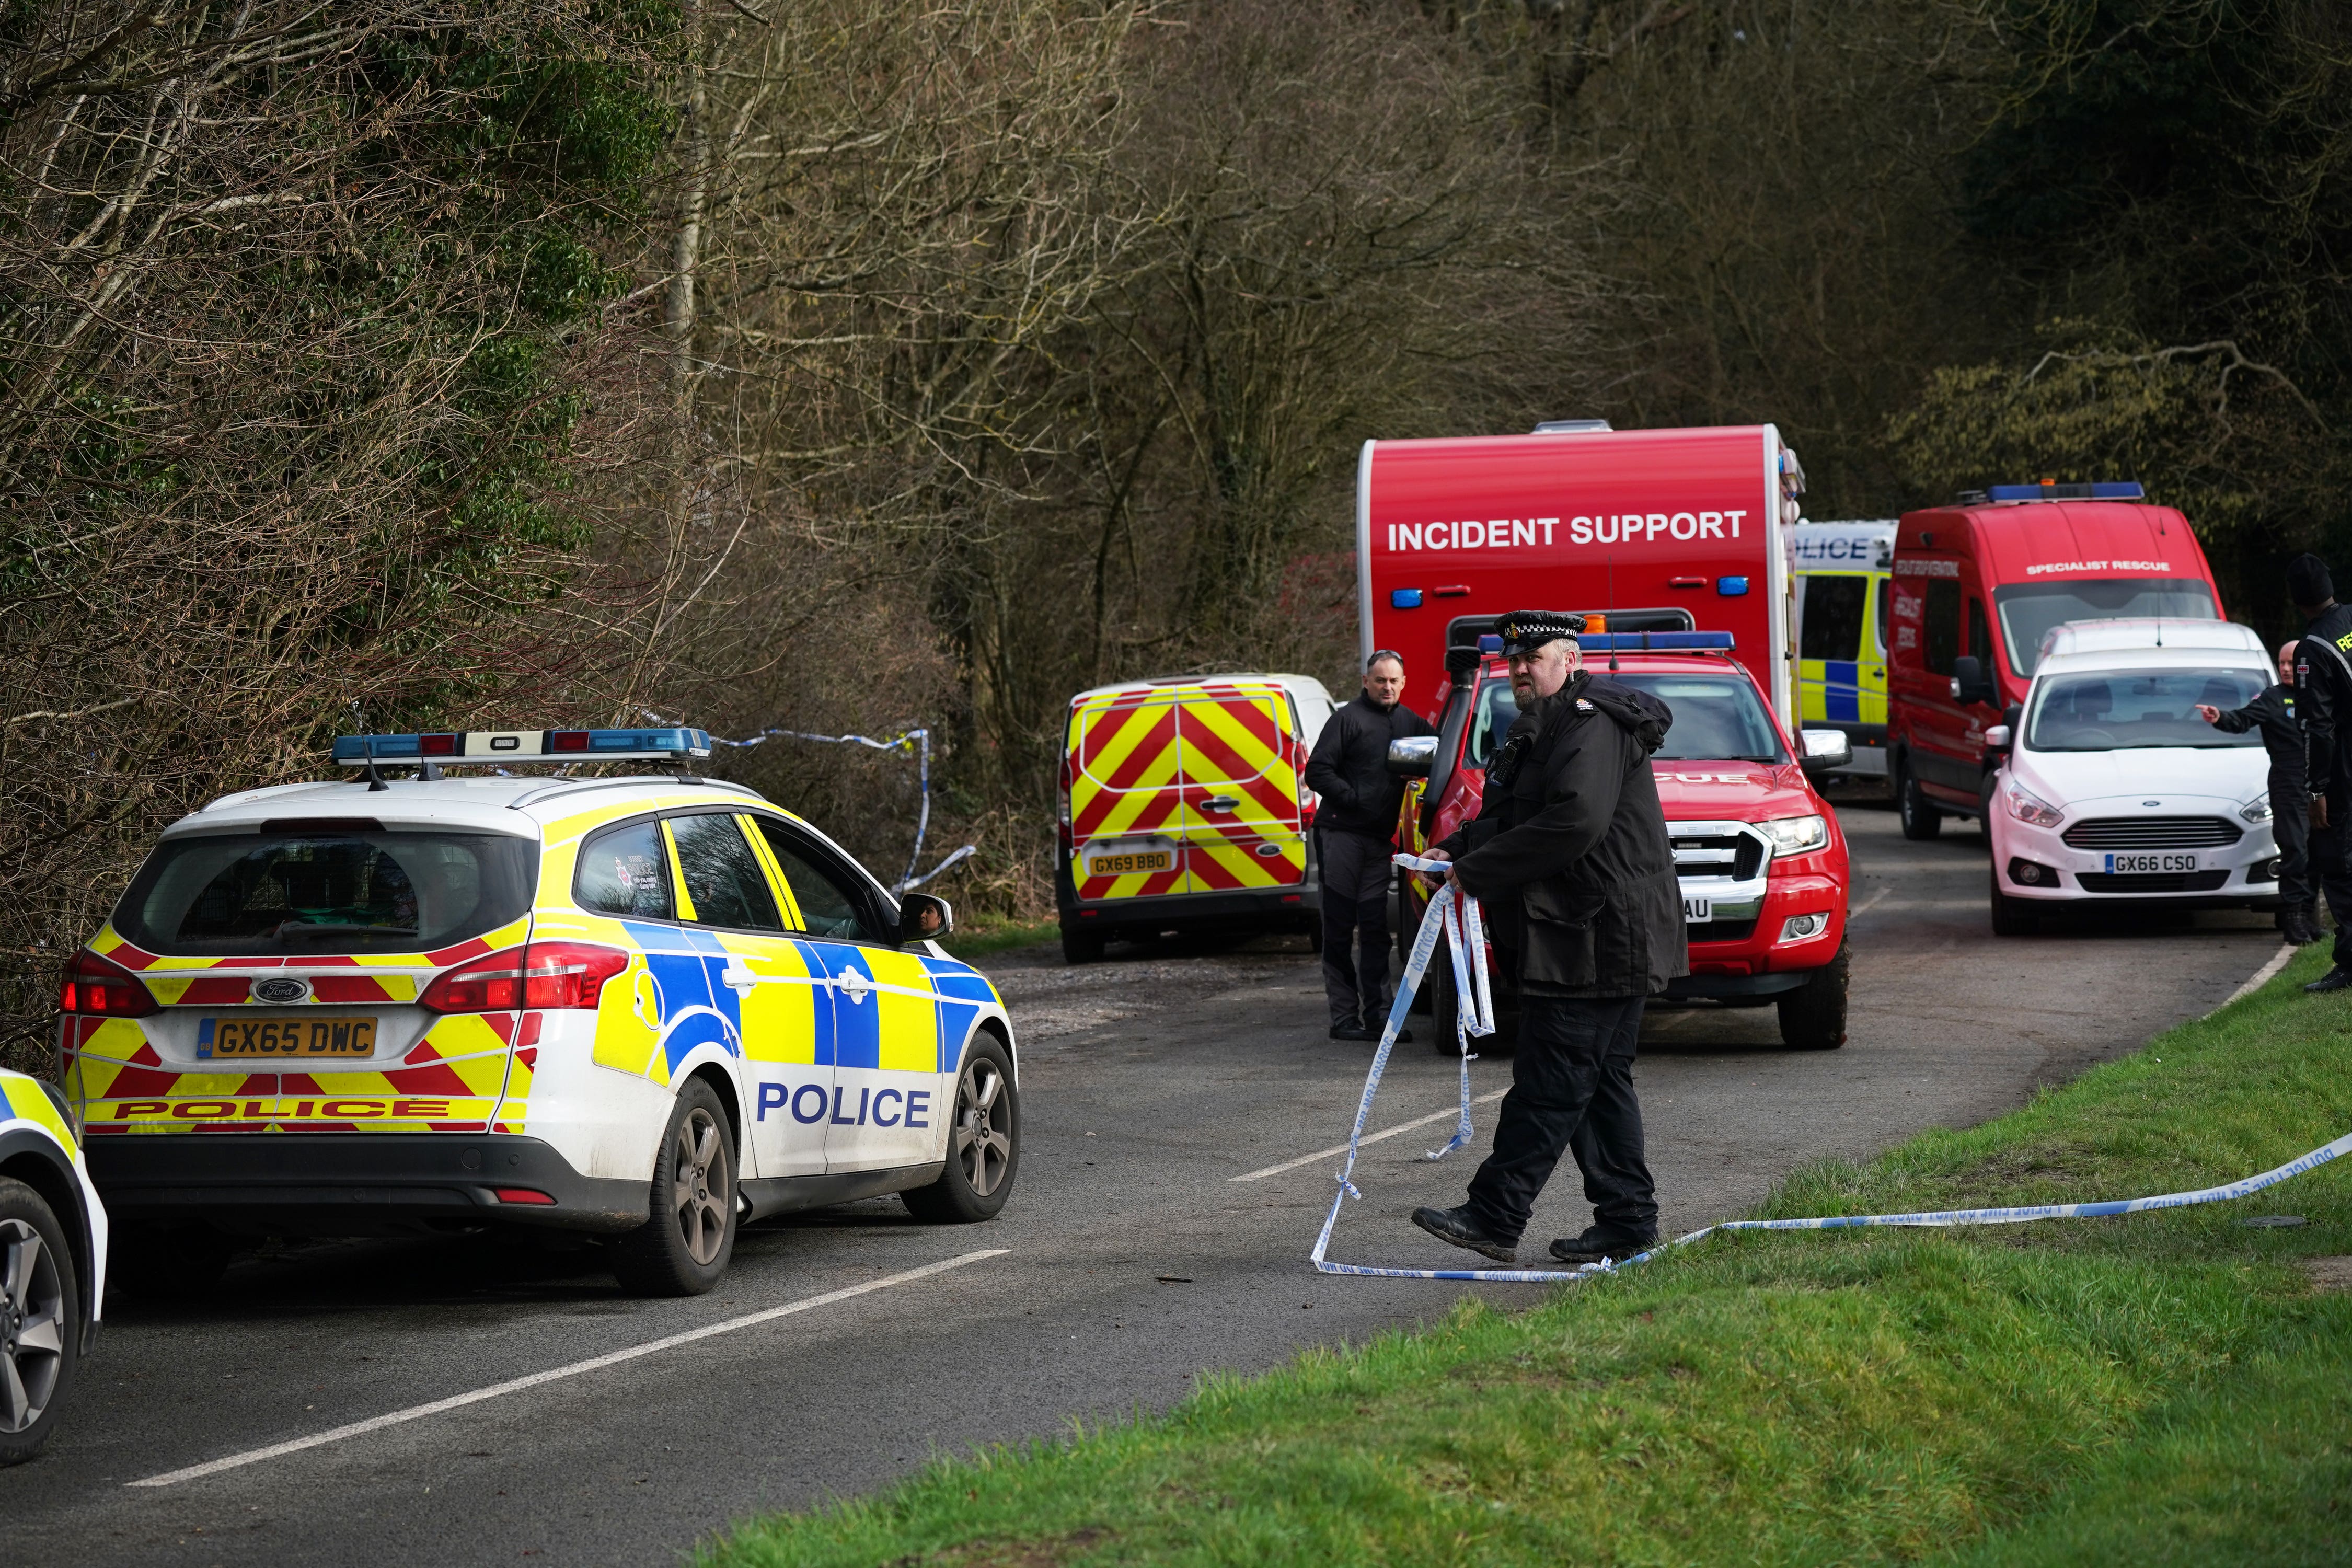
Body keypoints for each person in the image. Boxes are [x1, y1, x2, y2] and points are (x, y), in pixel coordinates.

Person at [1405, 610, 1687, 1266]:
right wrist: (1459, 846)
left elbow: (1574, 823)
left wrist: (1476, 873)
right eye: (1514, 662)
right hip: (1582, 935)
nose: (1521, 671)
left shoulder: (1591, 725)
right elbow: (1516, 813)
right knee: (1597, 1084)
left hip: (1597, 940)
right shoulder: (1545, 725)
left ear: (1569, 659)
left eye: (1534, 659)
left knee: (1552, 1078)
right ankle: (1627, 1223)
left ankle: (1494, 1216)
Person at [1304, 649, 1436, 1040]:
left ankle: (1380, 1019)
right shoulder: (1347, 719)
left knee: (1377, 931)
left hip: (1380, 843)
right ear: (1366, 681)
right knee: (1340, 929)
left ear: (1404, 683)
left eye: (1395, 680)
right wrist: (1355, 798)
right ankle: (1345, 1020)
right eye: (1380, 680)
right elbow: (1316, 771)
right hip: (1340, 836)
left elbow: (1444, 751)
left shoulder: (1410, 722)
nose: (1388, 687)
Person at [2197, 641, 2317, 945]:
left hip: (2321, 785)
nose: (2287, 669)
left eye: (2293, 663)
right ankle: (2294, 920)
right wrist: (2219, 717)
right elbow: (2242, 720)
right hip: (2288, 784)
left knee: (2320, 853)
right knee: (2296, 851)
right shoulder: (2272, 699)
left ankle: (2311, 917)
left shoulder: (2322, 694)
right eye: (2282, 663)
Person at [2289, 555, 2352, 991]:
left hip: (2345, 771)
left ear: (2297, 600)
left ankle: (2350, 963)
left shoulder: (2313, 648)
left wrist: (2316, 791)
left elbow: (2318, 726)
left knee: (2339, 864)